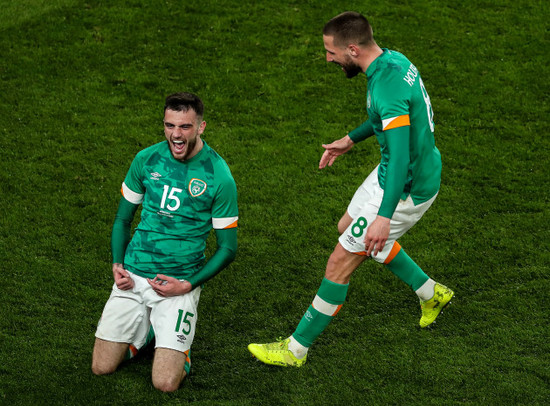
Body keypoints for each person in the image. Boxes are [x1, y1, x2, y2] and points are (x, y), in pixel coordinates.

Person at [248, 11, 453, 367]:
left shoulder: (386, 86)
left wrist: (384, 217)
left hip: (406, 186)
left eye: (331, 52)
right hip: (394, 171)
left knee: (340, 261)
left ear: (353, 49)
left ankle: (295, 350)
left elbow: (401, 154)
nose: (328, 58)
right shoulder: (392, 60)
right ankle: (430, 292)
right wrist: (350, 139)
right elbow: (392, 120)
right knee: (347, 227)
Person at [92, 92, 239, 391]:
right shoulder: (146, 159)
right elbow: (122, 220)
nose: (176, 135)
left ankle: (176, 350)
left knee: (165, 383)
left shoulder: (218, 176)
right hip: (133, 276)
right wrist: (117, 264)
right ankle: (146, 333)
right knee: (101, 367)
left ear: (201, 127)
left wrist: (188, 285)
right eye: (170, 125)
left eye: (184, 127)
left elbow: (228, 248)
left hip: (178, 283)